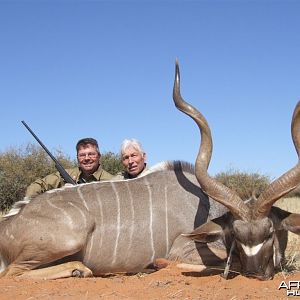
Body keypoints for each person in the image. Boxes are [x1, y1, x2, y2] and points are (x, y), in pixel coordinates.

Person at [25, 137, 113, 197]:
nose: (86, 158)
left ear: (99, 156)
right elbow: (38, 185)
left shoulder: (111, 181)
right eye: (82, 155)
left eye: (91, 154)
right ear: (77, 158)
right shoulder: (67, 174)